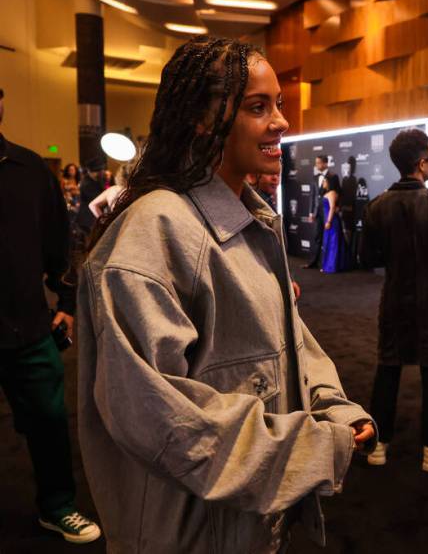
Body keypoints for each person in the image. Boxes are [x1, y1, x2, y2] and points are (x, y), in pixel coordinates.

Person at [76, 36, 376, 553]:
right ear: (202, 118)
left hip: (249, 522)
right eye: (258, 107)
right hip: (188, 531)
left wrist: (334, 408)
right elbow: (156, 414)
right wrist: (314, 445)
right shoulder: (154, 231)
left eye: (278, 103)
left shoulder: (251, 218)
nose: (280, 121)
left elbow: (288, 339)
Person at [0, 88, 102, 544]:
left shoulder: (30, 170)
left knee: (48, 422)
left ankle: (57, 507)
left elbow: (60, 244)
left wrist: (65, 304)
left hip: (29, 327)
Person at [360, 129, 428, 472]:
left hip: (393, 299)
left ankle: (378, 446)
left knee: (387, 369)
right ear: (421, 163)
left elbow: (366, 257)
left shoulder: (376, 206)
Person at [305, 154, 332, 269]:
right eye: (316, 163)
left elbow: (336, 193)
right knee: (317, 237)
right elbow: (312, 196)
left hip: (328, 211)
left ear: (325, 163)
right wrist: (311, 213)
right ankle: (314, 262)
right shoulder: (315, 177)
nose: (316, 165)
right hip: (317, 213)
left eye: (318, 163)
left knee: (329, 238)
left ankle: (327, 263)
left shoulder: (332, 177)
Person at [319, 171, 345, 273]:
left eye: (325, 181)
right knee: (329, 243)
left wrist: (329, 221)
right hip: (329, 220)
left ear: (329, 182)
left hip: (332, 222)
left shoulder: (332, 193)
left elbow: (332, 207)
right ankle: (328, 265)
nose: (323, 183)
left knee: (333, 244)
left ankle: (332, 266)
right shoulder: (329, 193)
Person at [74, 158, 105, 237]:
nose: (102, 173)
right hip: (88, 218)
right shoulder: (87, 184)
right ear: (92, 172)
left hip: (91, 217)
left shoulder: (97, 181)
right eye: (99, 171)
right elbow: (97, 199)